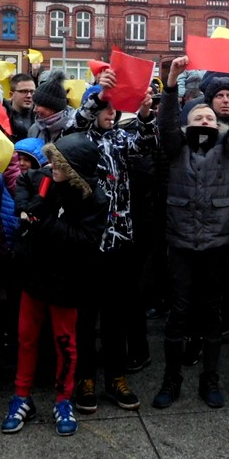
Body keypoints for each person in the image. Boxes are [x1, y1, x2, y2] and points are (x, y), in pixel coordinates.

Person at [152, 56, 229, 410]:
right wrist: (171, 83)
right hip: (181, 244)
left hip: (217, 245)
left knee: (212, 313)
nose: (205, 119)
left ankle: (210, 380)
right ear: (187, 123)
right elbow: (165, 121)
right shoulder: (176, 147)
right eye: (198, 116)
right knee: (180, 313)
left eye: (210, 117)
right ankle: (171, 379)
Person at [1, 134, 108, 437]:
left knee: (65, 343)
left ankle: (63, 400)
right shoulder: (45, 177)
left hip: (67, 279)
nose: (51, 166)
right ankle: (21, 396)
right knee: (26, 337)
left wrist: (42, 220)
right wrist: (25, 207)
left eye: (59, 162)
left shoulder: (94, 199)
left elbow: (84, 241)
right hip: (33, 273)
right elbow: (24, 182)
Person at [71, 72, 157, 415]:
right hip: (89, 239)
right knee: (86, 315)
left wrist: (147, 114)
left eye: (113, 108)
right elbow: (75, 124)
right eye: (104, 108)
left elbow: (148, 142)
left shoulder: (122, 137)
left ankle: (116, 376)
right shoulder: (79, 139)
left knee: (115, 313)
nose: (110, 113)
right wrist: (99, 95)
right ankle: (86, 378)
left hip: (120, 238)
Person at [28, 71, 75, 143]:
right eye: (34, 105)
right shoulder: (34, 129)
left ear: (53, 107)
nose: (34, 110)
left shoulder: (73, 128)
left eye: (38, 105)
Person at [7, 73, 37, 142]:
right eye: (24, 91)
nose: (29, 95)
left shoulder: (41, 118)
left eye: (32, 92)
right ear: (11, 95)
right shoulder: (2, 117)